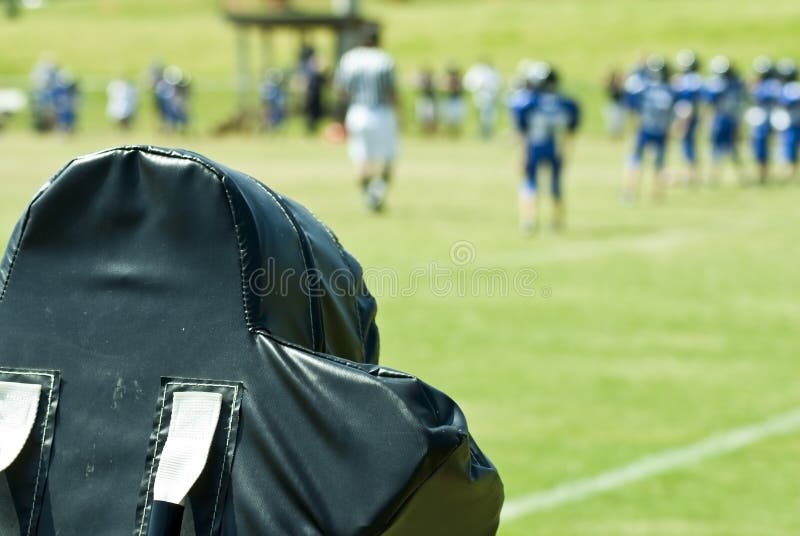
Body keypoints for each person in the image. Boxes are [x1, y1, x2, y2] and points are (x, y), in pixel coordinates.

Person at [510, 62, 580, 234]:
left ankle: (529, 220)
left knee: (530, 184)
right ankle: (557, 221)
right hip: (555, 148)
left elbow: (522, 132)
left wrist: (521, 154)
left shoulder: (527, 103)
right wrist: (567, 151)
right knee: (556, 186)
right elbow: (570, 131)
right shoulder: (566, 103)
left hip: (535, 147)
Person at [334, 24, 399, 212]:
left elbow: (341, 90)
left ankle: (368, 195)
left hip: (357, 112)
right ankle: (377, 192)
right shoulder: (384, 60)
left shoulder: (349, 59)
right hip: (381, 112)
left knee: (361, 158)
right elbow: (392, 91)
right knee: (388, 158)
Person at [622, 54, 675, 203]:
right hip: (661, 131)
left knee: (635, 161)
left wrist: (631, 129)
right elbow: (673, 114)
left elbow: (633, 110)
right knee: (659, 164)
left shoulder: (643, 89)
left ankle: (630, 192)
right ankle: (657, 195)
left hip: (644, 129)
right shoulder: (670, 91)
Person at [704, 56, 746, 184]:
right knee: (726, 150)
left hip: (723, 120)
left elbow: (710, 106)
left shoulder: (719, 86)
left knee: (721, 150)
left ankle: (715, 176)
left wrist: (707, 121)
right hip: (729, 119)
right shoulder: (735, 84)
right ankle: (717, 176)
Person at [747, 56, 782, 184]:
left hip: (766, 120)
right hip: (769, 120)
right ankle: (763, 175)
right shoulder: (775, 83)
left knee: (763, 149)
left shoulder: (768, 85)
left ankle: (765, 175)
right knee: (762, 149)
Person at [672, 49, 704, 184]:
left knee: (687, 144)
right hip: (691, 113)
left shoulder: (685, 80)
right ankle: (690, 173)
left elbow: (686, 103)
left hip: (685, 113)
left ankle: (690, 174)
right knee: (688, 144)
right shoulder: (697, 79)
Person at [463, 60, 502, 139]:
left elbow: (498, 84)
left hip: (491, 96)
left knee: (490, 117)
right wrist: (476, 88)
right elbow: (469, 83)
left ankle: (488, 133)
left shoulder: (493, 72)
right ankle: (481, 133)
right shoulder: (476, 71)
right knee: (481, 116)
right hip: (480, 96)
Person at [774, 58, 800, 179]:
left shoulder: (788, 88)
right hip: (794, 122)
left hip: (792, 123)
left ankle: (789, 173)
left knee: (789, 148)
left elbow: (785, 102)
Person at [441, 65, 466, 137]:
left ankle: (457, 134)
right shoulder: (448, 80)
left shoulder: (459, 80)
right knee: (450, 119)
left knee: (458, 118)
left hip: (457, 100)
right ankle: (451, 134)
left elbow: (461, 89)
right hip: (450, 100)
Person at [414, 67, 437, 134]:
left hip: (429, 100)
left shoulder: (430, 81)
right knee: (424, 118)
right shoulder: (422, 81)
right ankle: (425, 132)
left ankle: (430, 132)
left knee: (430, 118)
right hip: (424, 100)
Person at [604, 68, 626, 139]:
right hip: (613, 104)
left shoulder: (622, 86)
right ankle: (614, 135)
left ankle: (618, 135)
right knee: (613, 121)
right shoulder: (612, 86)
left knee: (620, 121)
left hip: (620, 104)